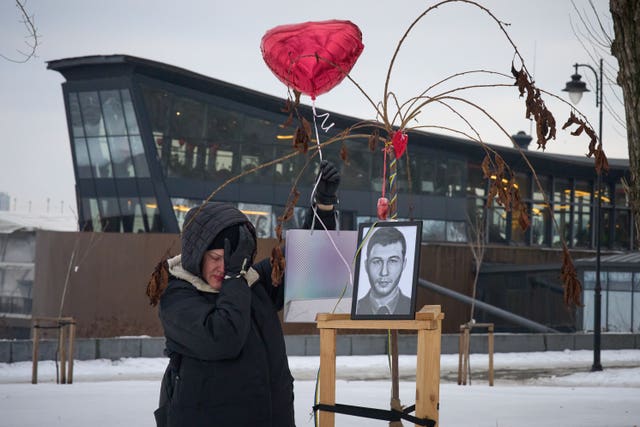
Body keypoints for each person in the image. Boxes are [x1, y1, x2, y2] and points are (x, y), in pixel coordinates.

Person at [147, 159, 340, 427]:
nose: (222, 267)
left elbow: (306, 259)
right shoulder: (177, 296)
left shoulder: (250, 283)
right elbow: (224, 337)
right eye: (215, 257)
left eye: (231, 258)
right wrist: (233, 277)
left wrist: (324, 205)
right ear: (195, 256)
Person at [356, 226, 412, 316]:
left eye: (392, 261)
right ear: (366, 265)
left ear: (404, 264)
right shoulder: (354, 309)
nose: (384, 272)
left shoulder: (414, 308)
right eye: (377, 262)